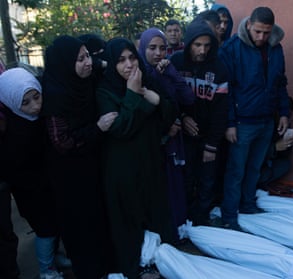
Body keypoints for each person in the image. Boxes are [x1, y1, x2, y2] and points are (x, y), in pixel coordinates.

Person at [96, 37, 177, 279]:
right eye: (121, 61)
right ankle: (136, 266)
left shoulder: (148, 80)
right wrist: (133, 95)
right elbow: (121, 128)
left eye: (132, 57)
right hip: (123, 168)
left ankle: (158, 259)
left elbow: (170, 114)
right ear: (112, 64)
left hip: (150, 161)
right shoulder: (104, 91)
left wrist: (154, 99)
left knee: (155, 212)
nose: (129, 65)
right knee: (129, 220)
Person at [41, 35, 117, 279]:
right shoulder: (55, 94)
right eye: (80, 59)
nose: (88, 63)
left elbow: (104, 62)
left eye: (88, 56)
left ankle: (107, 266)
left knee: (99, 219)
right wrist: (97, 128)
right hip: (70, 176)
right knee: (81, 226)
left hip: (91, 164)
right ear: (64, 63)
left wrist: (100, 62)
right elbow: (61, 142)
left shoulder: (84, 82)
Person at [219, 6, 290, 230]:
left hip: (266, 120)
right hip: (241, 122)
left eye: (266, 33)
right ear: (249, 25)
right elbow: (225, 90)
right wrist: (230, 123)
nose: (261, 37)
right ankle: (229, 216)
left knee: (254, 168)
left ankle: (248, 206)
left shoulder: (276, 48)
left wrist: (284, 113)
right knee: (236, 171)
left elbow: (280, 83)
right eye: (258, 31)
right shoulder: (231, 49)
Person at [0, 68, 61, 279]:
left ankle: (54, 258)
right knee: (45, 230)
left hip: (47, 185)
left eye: (37, 96)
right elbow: (14, 168)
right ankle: (46, 269)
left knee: (54, 225)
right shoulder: (10, 132)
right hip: (31, 192)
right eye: (25, 103)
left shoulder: (43, 117)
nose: (35, 106)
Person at [138, 27, 195, 240]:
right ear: (143, 48)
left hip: (173, 142)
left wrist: (172, 75)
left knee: (175, 185)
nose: (158, 53)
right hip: (153, 144)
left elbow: (188, 99)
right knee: (158, 189)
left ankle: (176, 229)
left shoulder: (167, 71)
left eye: (162, 48)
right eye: (152, 48)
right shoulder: (139, 74)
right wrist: (166, 127)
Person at [170, 21, 229, 226]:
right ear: (188, 44)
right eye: (197, 45)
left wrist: (212, 144)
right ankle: (183, 220)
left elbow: (222, 111)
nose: (202, 50)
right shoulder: (176, 62)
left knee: (207, 181)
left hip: (208, 138)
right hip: (182, 138)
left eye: (207, 45)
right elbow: (168, 98)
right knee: (185, 180)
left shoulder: (219, 68)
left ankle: (201, 223)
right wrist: (182, 117)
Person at [258, 96, 293, 188]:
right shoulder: (263, 124)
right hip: (254, 164)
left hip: (267, 164)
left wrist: (286, 143)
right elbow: (252, 152)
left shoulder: (284, 126)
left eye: (289, 115)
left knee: (284, 165)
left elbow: (283, 156)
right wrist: (274, 148)